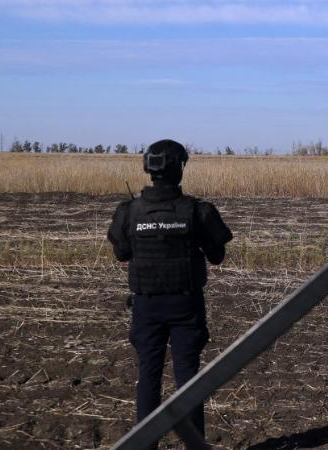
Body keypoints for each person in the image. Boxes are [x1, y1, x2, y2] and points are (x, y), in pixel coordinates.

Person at [107, 139, 232, 448]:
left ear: (149, 169)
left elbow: (121, 253)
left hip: (146, 307)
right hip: (185, 306)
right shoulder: (197, 211)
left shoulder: (129, 211)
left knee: (148, 376)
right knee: (189, 380)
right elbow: (217, 255)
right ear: (179, 169)